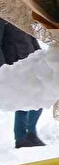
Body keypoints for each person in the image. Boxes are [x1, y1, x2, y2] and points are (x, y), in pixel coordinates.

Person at [0, 18, 46, 149]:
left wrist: (41, 55)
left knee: (40, 98)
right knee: (22, 102)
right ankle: (21, 138)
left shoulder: (21, 16)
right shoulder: (2, 18)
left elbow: (32, 39)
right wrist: (3, 68)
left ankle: (31, 133)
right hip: (14, 65)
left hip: (31, 62)